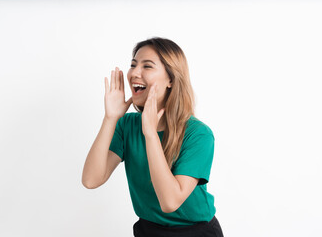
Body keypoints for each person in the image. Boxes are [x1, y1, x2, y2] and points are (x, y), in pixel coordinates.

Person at [82, 37, 224, 237]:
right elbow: (91, 179)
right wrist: (110, 118)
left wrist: (150, 134)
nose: (134, 73)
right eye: (133, 65)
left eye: (147, 66)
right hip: (148, 229)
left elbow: (170, 202)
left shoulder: (198, 134)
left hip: (195, 231)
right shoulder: (127, 125)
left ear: (171, 80)